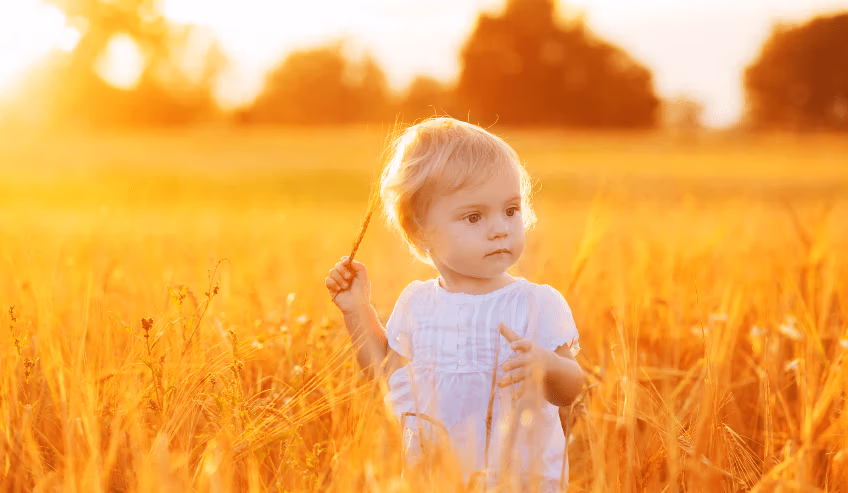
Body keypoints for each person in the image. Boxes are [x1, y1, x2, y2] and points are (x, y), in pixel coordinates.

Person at [325, 117, 584, 492]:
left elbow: (571, 388)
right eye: (475, 216)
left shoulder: (536, 303)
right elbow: (385, 375)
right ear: (419, 231)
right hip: (436, 478)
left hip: (519, 480)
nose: (500, 228)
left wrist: (548, 366)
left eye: (511, 210)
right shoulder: (417, 303)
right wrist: (356, 310)